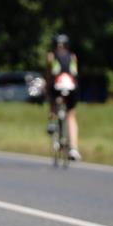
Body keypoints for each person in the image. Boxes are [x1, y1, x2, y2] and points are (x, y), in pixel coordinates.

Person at [45, 33, 81, 161]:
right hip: (71, 88)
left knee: (52, 100)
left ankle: (52, 121)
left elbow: (49, 76)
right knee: (71, 115)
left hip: (57, 86)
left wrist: (47, 87)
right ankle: (74, 149)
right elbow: (75, 74)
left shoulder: (51, 56)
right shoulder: (73, 57)